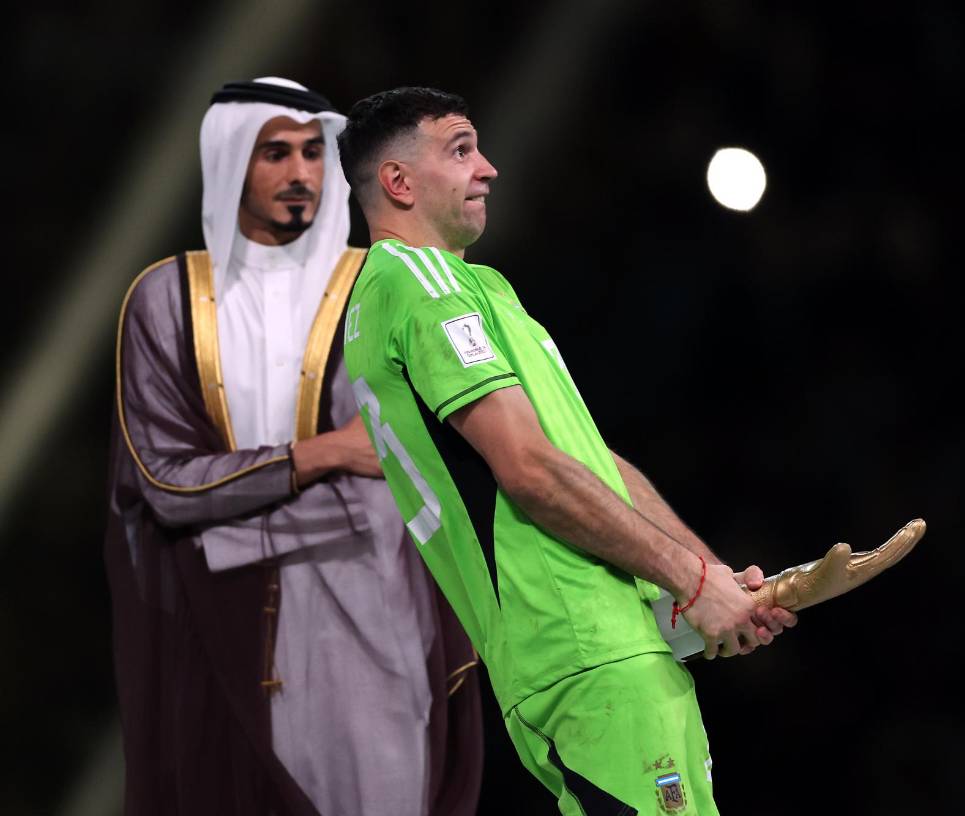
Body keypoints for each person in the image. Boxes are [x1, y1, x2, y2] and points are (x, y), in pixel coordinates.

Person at [338, 86, 798, 815]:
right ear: (397, 183)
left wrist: (707, 576)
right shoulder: (419, 286)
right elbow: (530, 472)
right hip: (581, 653)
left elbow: (590, 460)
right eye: (460, 150)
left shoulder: (475, 286)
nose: (487, 167)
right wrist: (687, 577)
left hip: (600, 650)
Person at [104, 77, 481, 816]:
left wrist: (234, 520)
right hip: (222, 637)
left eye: (313, 152)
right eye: (275, 153)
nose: (301, 174)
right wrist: (322, 455)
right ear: (229, 163)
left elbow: (405, 478)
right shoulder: (168, 300)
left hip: (376, 622)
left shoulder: (382, 283)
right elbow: (164, 485)